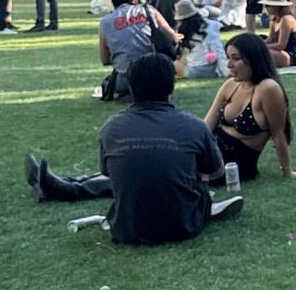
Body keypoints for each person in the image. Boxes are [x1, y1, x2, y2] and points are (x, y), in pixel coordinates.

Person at [24, 53, 244, 243]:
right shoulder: (194, 126)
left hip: (127, 229)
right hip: (183, 225)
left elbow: (108, 174)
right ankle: (62, 186)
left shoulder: (112, 127)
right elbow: (216, 171)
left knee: (130, 170)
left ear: (130, 86)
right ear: (171, 86)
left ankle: (62, 187)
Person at [203, 32, 296, 183]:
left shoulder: (268, 88)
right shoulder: (230, 85)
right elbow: (206, 127)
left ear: (253, 59)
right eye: (228, 58)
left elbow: (278, 133)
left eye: (236, 58)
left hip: (237, 162)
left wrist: (288, 171)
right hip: (211, 149)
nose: (229, 64)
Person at [97, 0, 179, 100]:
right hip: (156, 74)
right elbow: (172, 36)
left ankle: (125, 93)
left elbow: (105, 59)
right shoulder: (148, 11)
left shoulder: (105, 22)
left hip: (126, 78)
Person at [174, 0, 228, 79]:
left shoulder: (183, 32)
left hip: (194, 71)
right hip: (214, 68)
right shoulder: (212, 24)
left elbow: (178, 54)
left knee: (174, 63)